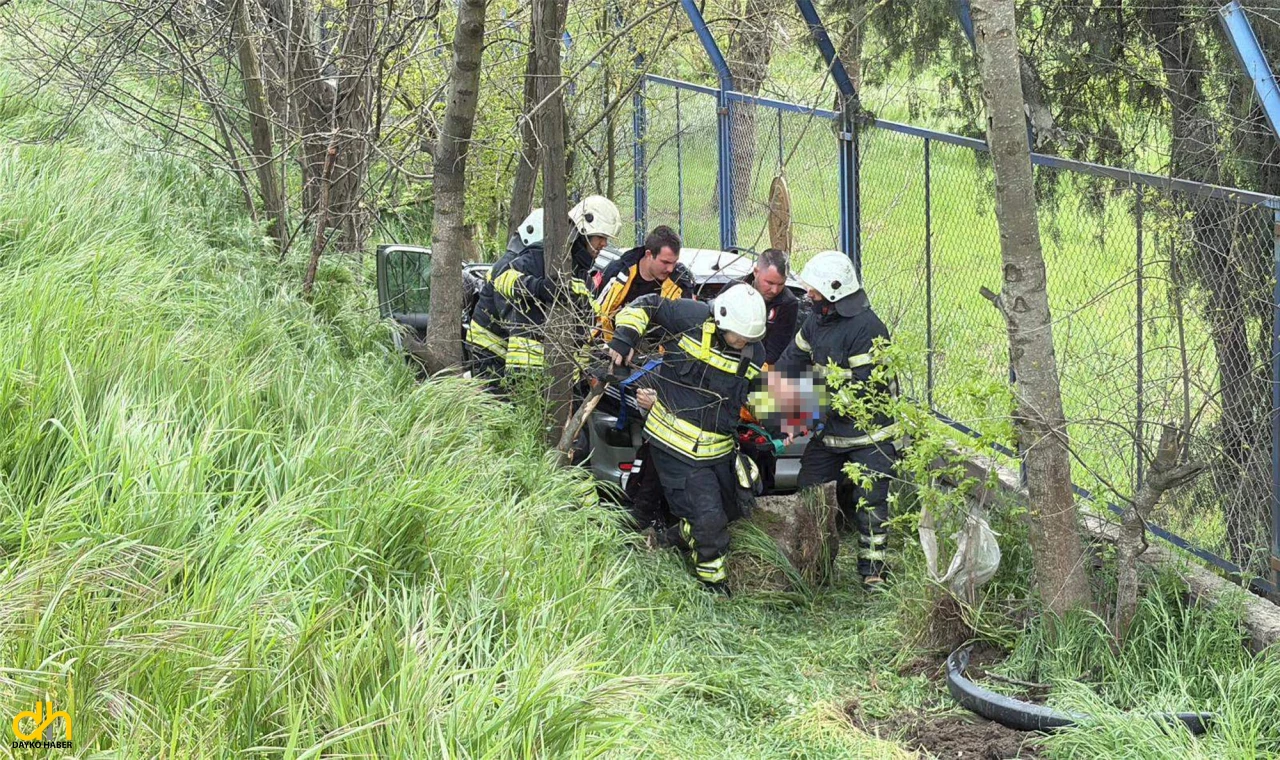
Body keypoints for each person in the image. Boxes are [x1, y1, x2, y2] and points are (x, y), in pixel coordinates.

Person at [607, 284, 768, 593]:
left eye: (750, 338)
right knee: (708, 520)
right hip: (677, 445)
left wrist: (793, 417)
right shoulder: (691, 317)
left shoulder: (754, 350)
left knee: (734, 509)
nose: (744, 342)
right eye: (739, 336)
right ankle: (714, 589)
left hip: (718, 450)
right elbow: (645, 305)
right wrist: (625, 336)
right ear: (721, 320)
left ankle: (668, 538)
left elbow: (755, 397)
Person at [775, 250, 899, 588]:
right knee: (810, 493)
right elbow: (791, 361)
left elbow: (864, 392)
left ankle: (872, 575)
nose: (809, 295)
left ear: (834, 291)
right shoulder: (816, 320)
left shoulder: (868, 328)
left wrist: (810, 414)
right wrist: (779, 409)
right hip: (828, 435)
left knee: (870, 506)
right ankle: (815, 567)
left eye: (814, 290)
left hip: (868, 436)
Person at [494, 196, 622, 372]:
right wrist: (539, 287)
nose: (604, 244)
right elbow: (501, 279)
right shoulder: (543, 257)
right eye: (600, 237)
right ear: (583, 232)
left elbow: (586, 327)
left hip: (563, 374)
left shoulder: (583, 276)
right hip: (527, 371)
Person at [465, 209, 543, 384]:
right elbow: (508, 310)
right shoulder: (511, 265)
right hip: (489, 343)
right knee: (493, 399)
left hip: (487, 340)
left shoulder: (510, 261)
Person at [594, 225, 696, 342]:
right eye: (665, 262)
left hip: (660, 356)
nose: (670, 269)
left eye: (674, 262)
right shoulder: (618, 272)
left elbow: (686, 330)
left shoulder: (680, 284)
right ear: (648, 255)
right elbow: (595, 314)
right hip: (613, 349)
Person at [742, 248, 800, 368]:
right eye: (769, 283)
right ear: (756, 272)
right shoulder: (736, 289)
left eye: (781, 284)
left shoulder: (788, 304)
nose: (775, 290)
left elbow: (775, 352)